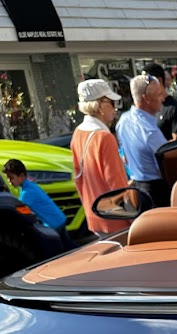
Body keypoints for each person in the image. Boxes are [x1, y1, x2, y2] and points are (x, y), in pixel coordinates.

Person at [70, 78, 130, 237]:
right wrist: (133, 217)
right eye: (112, 102)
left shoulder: (78, 133)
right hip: (116, 219)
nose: (115, 108)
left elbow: (78, 178)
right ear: (100, 105)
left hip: (94, 215)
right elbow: (116, 183)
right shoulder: (104, 137)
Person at [116, 73, 170, 207]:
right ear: (146, 98)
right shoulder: (150, 132)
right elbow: (168, 169)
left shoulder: (123, 121)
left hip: (136, 189)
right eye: (159, 94)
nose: (163, 98)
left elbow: (124, 157)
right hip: (156, 193)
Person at [2, 158, 74, 251]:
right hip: (57, 219)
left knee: (60, 250)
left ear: (21, 176)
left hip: (52, 223)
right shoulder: (30, 185)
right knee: (68, 246)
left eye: (11, 178)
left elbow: (18, 208)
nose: (9, 181)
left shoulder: (28, 193)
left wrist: (6, 194)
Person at [142, 61, 177, 142]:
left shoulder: (173, 108)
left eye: (147, 81)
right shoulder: (147, 107)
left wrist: (156, 146)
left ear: (159, 80)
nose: (144, 85)